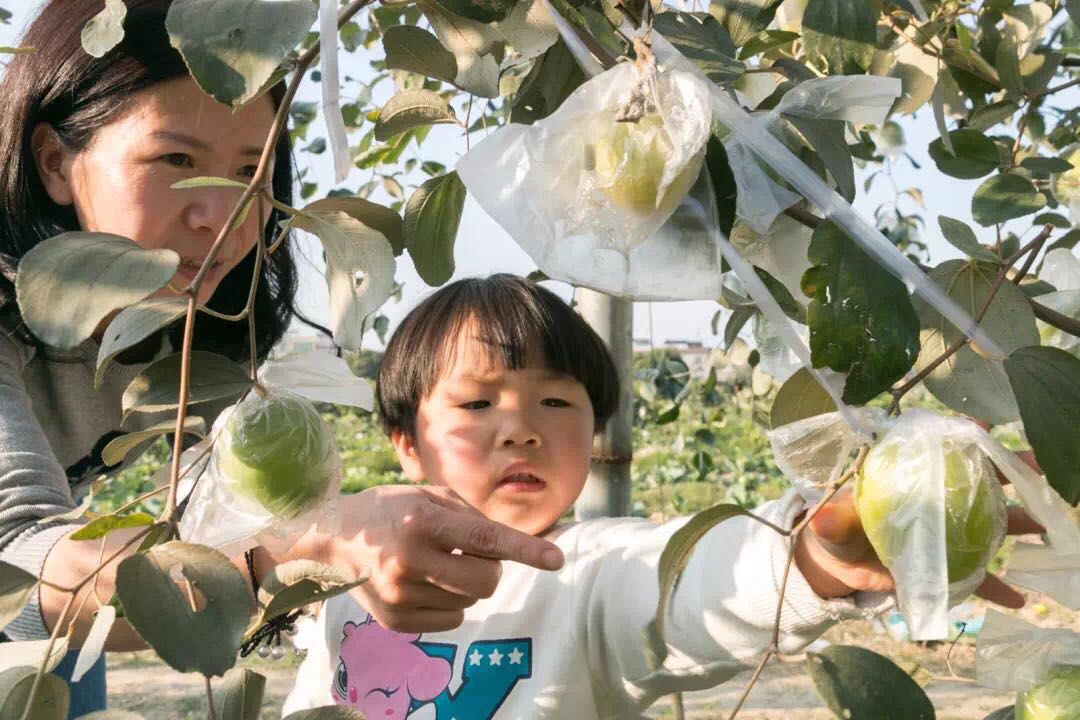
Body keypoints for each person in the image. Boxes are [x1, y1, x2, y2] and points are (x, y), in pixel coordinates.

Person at [0, 5, 566, 717]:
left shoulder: (193, 335)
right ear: (55, 161)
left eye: (250, 171)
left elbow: (205, 525)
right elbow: (13, 561)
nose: (223, 217)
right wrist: (304, 554)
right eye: (175, 161)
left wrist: (309, 539)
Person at [281, 274, 1043, 719]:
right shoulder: (349, 579)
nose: (521, 431)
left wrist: (810, 556)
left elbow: (688, 587)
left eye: (556, 403)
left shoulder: (585, 573)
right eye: (477, 406)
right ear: (405, 441)